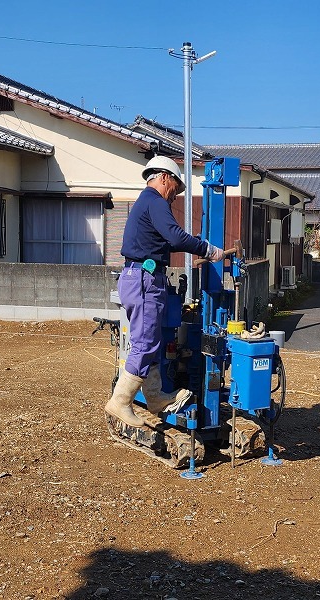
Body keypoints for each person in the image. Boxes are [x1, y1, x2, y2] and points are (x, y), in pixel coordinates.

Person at [105, 156, 224, 427]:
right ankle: (120, 401)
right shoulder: (155, 201)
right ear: (163, 177)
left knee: (152, 341)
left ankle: (155, 396)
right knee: (146, 343)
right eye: (175, 188)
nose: (174, 196)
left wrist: (195, 245)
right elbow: (175, 236)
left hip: (140, 277)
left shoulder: (145, 202)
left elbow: (167, 241)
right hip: (145, 279)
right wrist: (207, 249)